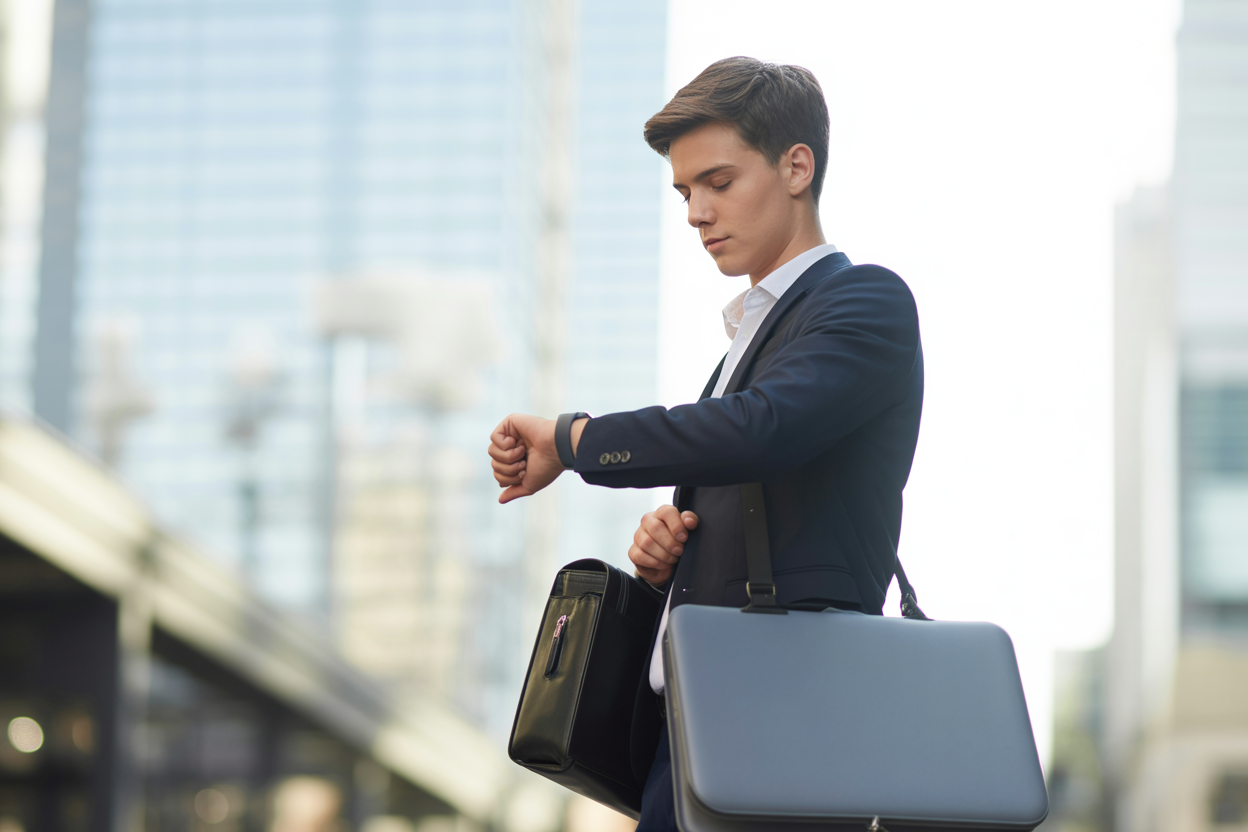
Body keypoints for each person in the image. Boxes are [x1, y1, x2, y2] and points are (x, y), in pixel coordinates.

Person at [487, 56, 923, 832]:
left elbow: (760, 431)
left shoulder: (867, 301)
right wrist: (673, 562)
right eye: (685, 192)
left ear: (797, 167)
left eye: (717, 182)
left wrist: (574, 439)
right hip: (692, 732)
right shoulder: (740, 351)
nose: (695, 212)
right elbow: (748, 468)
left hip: (785, 723)